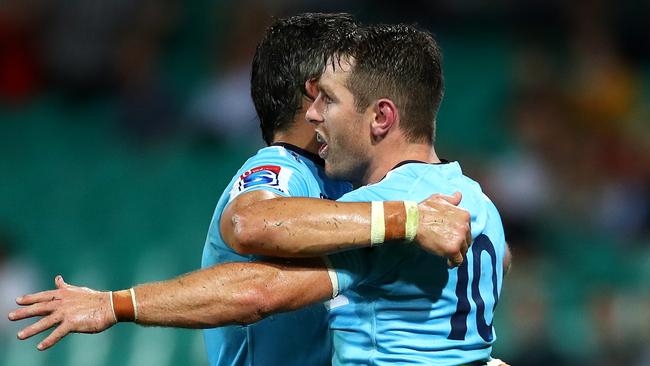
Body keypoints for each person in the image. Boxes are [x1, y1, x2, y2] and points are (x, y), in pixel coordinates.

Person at [8, 14, 478, 365]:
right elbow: (251, 226)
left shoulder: (348, 180)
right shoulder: (280, 169)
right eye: (346, 85)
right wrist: (406, 219)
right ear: (315, 94)